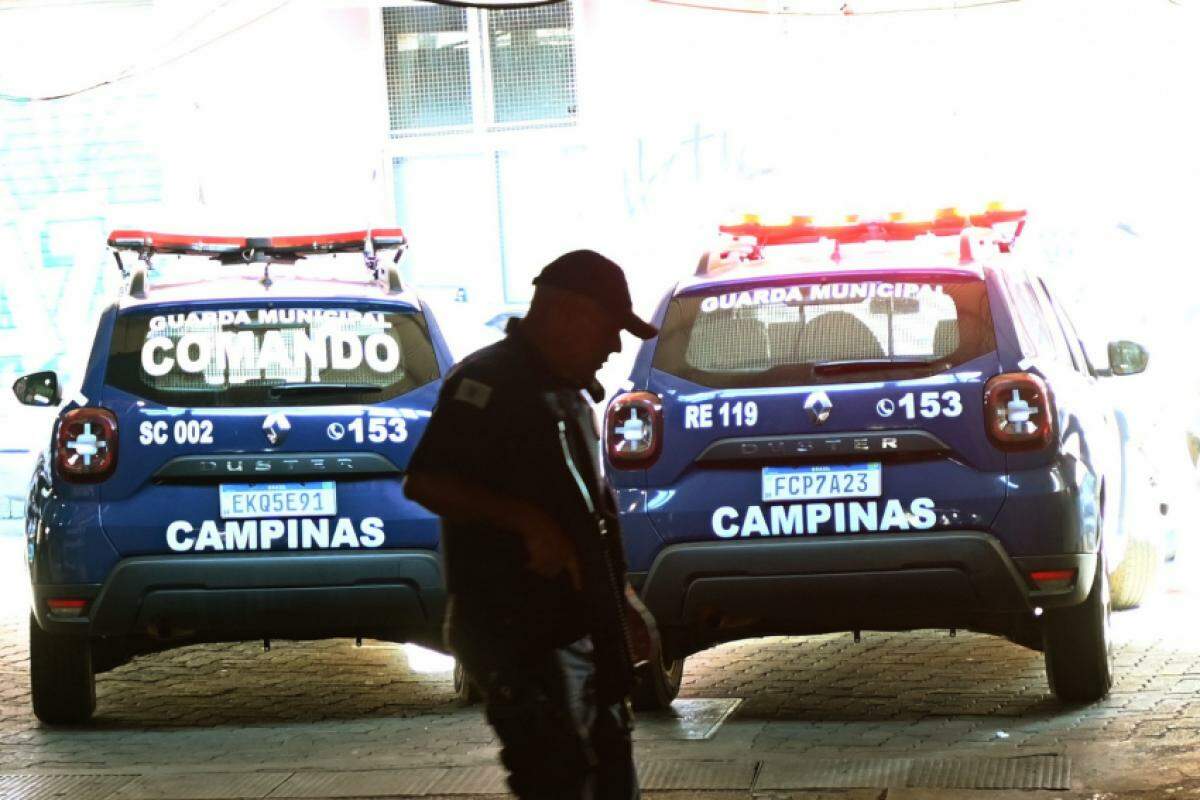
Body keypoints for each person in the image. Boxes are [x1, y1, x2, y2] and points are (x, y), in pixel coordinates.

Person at [403, 250, 658, 800]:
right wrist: (526, 522)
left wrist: (623, 602)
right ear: (568, 314)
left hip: (580, 631)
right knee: (558, 781)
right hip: (519, 636)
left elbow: (591, 511)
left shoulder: (567, 391)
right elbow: (426, 482)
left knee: (611, 777)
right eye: (610, 329)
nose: (615, 347)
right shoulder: (485, 384)